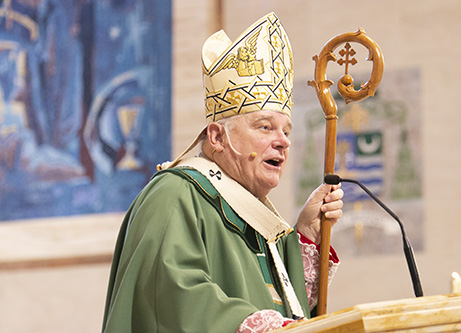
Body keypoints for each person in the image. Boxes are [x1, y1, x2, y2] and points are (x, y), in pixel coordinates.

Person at [102, 12, 344, 333]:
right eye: (265, 127)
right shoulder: (175, 194)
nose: (283, 141)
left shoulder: (251, 216)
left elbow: (285, 310)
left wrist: (307, 233)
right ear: (217, 137)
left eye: (286, 130)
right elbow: (170, 296)